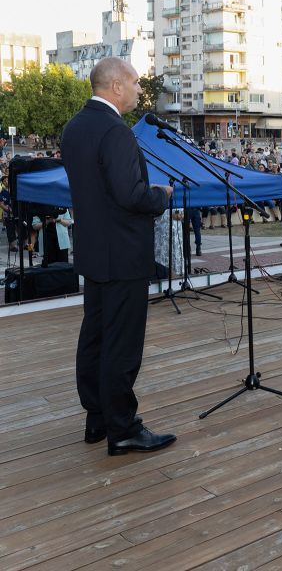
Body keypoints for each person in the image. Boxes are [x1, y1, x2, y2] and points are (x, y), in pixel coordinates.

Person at [61, 57, 176, 456]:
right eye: (135, 83)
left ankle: (97, 418)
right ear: (115, 86)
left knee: (94, 336)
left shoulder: (74, 128)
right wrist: (160, 196)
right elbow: (130, 196)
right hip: (123, 255)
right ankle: (123, 427)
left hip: (94, 253)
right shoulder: (116, 132)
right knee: (122, 344)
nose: (139, 90)